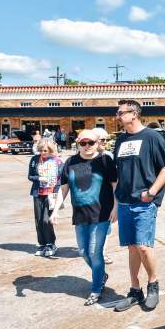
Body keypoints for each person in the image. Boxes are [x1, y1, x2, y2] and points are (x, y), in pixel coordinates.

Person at [113, 99, 165, 312]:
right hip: (125, 202)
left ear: (134, 114)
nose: (117, 116)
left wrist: (152, 192)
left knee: (143, 247)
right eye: (118, 113)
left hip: (144, 203)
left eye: (121, 113)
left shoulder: (152, 137)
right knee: (131, 247)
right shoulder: (120, 141)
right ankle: (135, 290)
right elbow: (119, 174)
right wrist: (115, 204)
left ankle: (153, 284)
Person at [50, 130, 118, 305]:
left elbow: (115, 186)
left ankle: (96, 289)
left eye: (91, 143)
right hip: (80, 215)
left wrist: (116, 208)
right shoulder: (70, 162)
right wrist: (55, 210)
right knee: (83, 252)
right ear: (78, 143)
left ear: (97, 143)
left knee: (95, 252)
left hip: (101, 214)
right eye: (83, 143)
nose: (87, 146)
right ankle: (101, 275)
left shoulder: (105, 161)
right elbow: (63, 188)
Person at [28, 138, 63, 257]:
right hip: (38, 193)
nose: (43, 153)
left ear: (51, 150)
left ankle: (51, 243)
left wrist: (58, 194)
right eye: (41, 150)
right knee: (38, 221)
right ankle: (42, 244)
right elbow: (30, 176)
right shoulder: (34, 159)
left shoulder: (57, 161)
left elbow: (62, 179)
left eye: (46, 151)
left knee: (46, 220)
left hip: (52, 194)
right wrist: (39, 178)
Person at [92, 127, 115, 265]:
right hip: (89, 202)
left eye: (107, 139)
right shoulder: (84, 155)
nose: (105, 142)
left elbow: (114, 180)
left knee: (105, 229)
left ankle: (102, 253)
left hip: (106, 200)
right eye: (102, 139)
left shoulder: (109, 156)